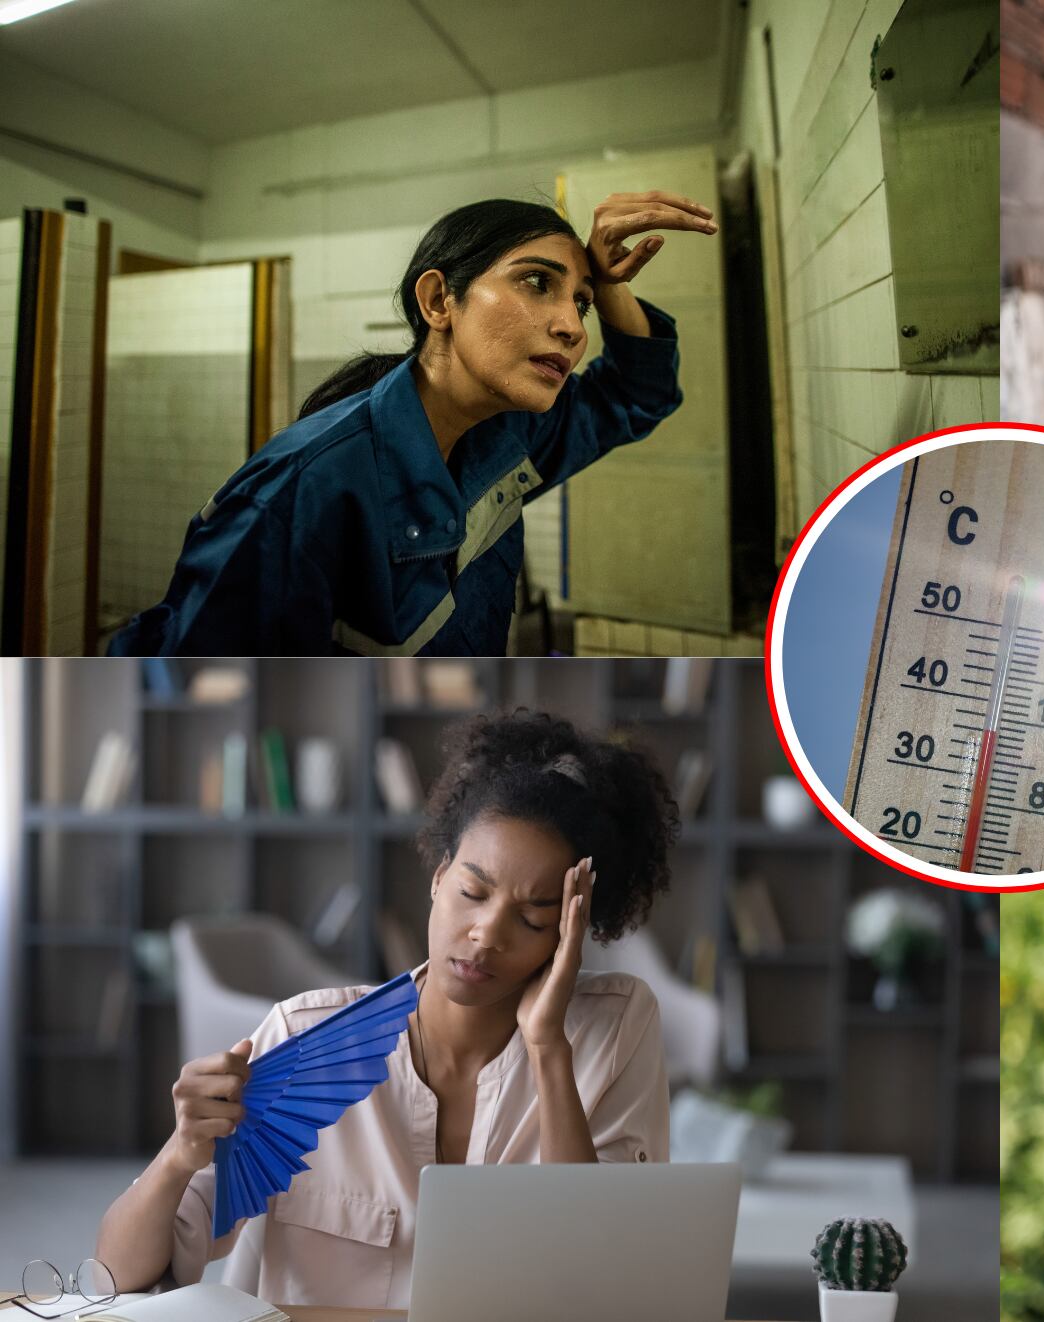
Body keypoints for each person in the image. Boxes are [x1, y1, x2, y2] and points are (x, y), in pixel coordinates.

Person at [94, 711, 681, 1309]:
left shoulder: (614, 1028)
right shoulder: (305, 1040)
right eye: (472, 893)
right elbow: (121, 1278)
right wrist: (178, 1155)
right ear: (437, 878)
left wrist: (548, 1048)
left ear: (569, 931)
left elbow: (597, 1279)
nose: (485, 934)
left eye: (532, 918)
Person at [108, 190, 715, 656]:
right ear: (438, 301)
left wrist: (609, 284)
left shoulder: (507, 439)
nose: (574, 327)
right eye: (537, 283)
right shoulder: (304, 486)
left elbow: (639, 394)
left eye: (580, 303)